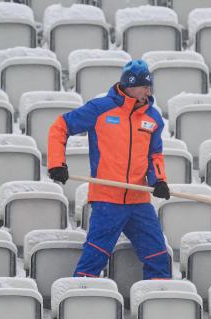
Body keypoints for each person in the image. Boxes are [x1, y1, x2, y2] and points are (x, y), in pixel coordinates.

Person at [47, 59, 172, 280]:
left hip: (139, 201)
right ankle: (80, 300)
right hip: (107, 199)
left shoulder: (152, 118)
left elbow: (155, 154)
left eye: (149, 85)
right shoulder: (101, 109)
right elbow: (60, 126)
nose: (148, 90)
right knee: (94, 258)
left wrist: (158, 181)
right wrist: (58, 163)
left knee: (159, 256)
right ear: (130, 85)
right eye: (144, 85)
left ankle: (158, 305)